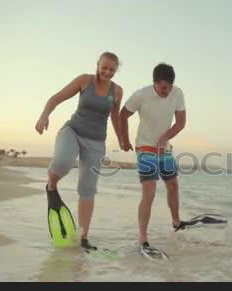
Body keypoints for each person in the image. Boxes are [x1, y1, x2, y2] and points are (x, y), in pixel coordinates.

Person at [35, 52, 123, 251]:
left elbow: (115, 117)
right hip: (72, 132)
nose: (107, 72)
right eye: (104, 67)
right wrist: (44, 116)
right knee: (62, 163)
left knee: (87, 189)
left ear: (116, 70)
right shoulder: (85, 81)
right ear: (98, 64)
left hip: (96, 142)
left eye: (112, 69)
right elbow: (56, 98)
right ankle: (51, 186)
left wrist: (122, 139)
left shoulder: (117, 91)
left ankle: (83, 238)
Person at [119, 63, 186, 256]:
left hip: (164, 149)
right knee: (150, 191)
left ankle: (176, 223)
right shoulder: (141, 95)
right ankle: (142, 239)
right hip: (145, 147)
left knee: (173, 184)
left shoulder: (177, 93)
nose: (167, 91)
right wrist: (123, 139)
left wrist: (165, 138)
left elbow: (181, 122)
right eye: (163, 88)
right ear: (154, 83)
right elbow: (123, 115)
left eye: (169, 87)